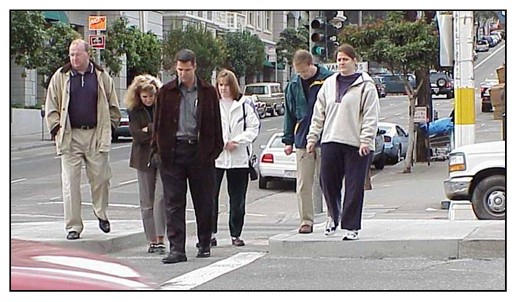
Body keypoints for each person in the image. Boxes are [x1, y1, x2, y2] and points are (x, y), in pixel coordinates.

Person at [150, 49, 224, 264]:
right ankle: (177, 249)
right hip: (173, 152)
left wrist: (213, 151)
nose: (183, 74)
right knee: (173, 202)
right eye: (180, 70)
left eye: (187, 69)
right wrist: (158, 151)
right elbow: (159, 124)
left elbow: (216, 124)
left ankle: (204, 242)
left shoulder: (208, 92)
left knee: (204, 201)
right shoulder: (166, 92)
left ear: (194, 67)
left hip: (200, 153)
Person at [45, 38, 121, 240]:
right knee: (70, 182)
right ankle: (73, 226)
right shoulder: (60, 76)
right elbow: (51, 105)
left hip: (95, 134)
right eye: (71, 54)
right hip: (70, 134)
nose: (74, 57)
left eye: (78, 54)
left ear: (88, 54)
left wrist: (111, 127)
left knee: (102, 179)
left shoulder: (101, 76)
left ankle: (101, 214)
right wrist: (56, 129)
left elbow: (114, 106)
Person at [306, 44, 380, 240]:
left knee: (354, 187)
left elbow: (371, 115)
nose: (341, 63)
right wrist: (312, 138)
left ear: (354, 61)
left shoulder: (366, 85)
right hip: (331, 138)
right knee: (327, 182)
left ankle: (351, 226)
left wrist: (366, 139)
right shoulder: (329, 84)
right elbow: (318, 113)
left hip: (357, 144)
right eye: (339, 59)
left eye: (345, 59)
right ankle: (333, 216)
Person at [282, 49, 333, 234]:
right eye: (299, 72)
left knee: (328, 180)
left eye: (304, 72)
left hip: (326, 136)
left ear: (312, 65)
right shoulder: (294, 85)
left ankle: (333, 216)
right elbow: (289, 112)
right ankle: (306, 220)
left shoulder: (328, 80)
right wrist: (288, 140)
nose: (302, 75)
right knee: (304, 182)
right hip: (303, 138)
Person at [212, 69, 260, 247]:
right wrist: (222, 142)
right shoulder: (212, 103)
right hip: (216, 158)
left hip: (239, 159)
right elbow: (206, 127)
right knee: (210, 197)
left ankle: (236, 234)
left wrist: (237, 141)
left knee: (238, 199)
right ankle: (210, 233)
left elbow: (254, 128)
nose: (223, 89)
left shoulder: (245, 104)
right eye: (221, 85)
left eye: (226, 85)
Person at [125, 74, 167, 254]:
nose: (148, 100)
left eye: (151, 96)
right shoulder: (134, 110)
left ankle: (160, 237)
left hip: (163, 156)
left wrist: (148, 128)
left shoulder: (164, 107)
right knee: (147, 200)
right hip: (143, 158)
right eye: (145, 97)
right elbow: (137, 135)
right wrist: (153, 129)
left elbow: (165, 130)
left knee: (161, 197)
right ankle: (151, 239)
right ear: (138, 96)